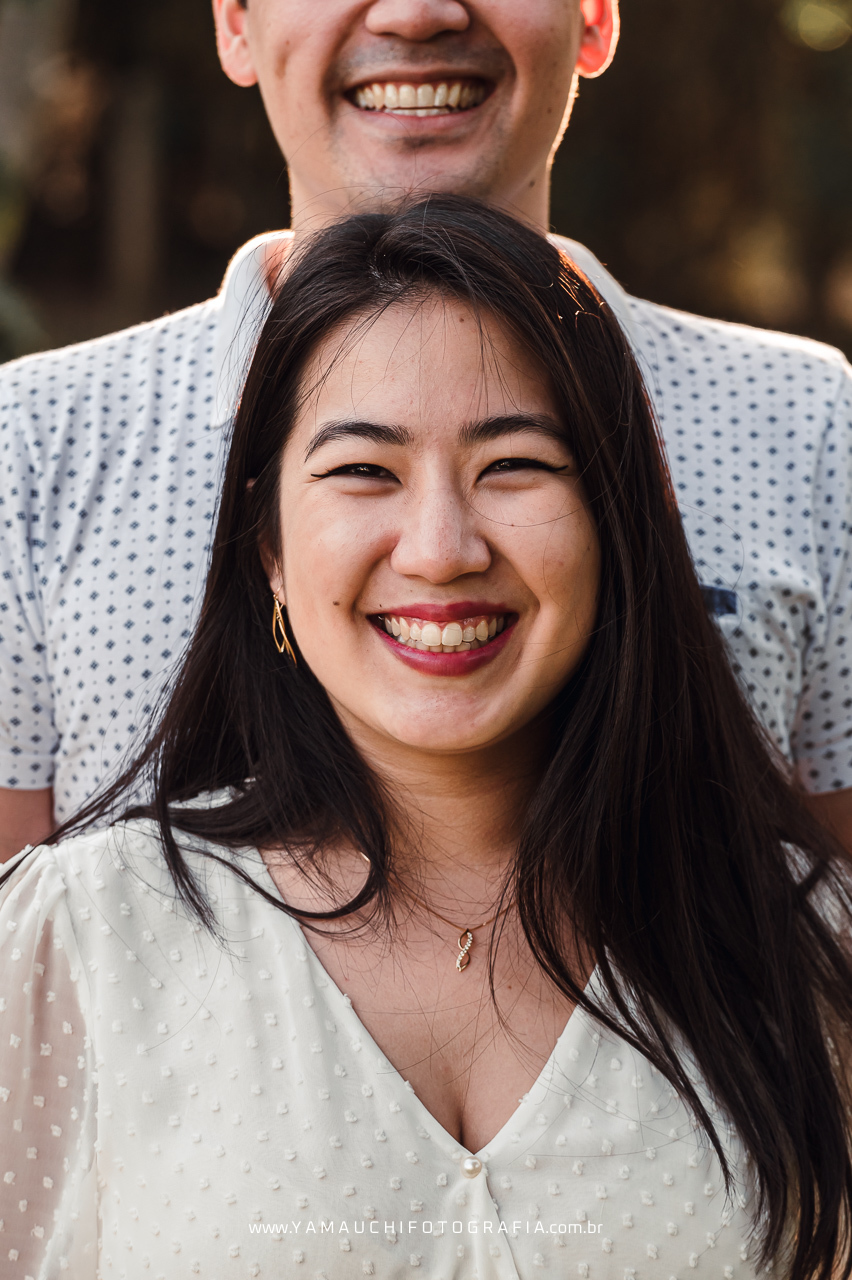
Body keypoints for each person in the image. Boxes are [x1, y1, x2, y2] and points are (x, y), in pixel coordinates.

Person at [2, 197, 852, 1280]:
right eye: (364, 470)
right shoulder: (78, 939)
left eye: (515, 467)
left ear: (614, 523)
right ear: (266, 543)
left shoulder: (803, 947)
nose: (442, 548)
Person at [1, 0, 852, 861]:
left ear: (594, 17)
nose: (416, 14)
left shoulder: (809, 425)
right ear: (233, 23)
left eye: (517, 464)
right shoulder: (30, 444)